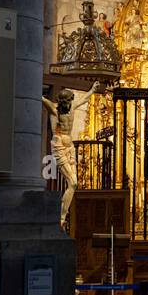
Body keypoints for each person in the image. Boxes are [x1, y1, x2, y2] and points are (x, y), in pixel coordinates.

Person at [42, 81, 99, 227]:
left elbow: (84, 99)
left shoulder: (73, 107)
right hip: (59, 145)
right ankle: (61, 218)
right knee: (73, 182)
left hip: (70, 146)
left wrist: (92, 89)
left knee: (73, 185)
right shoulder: (54, 109)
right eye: (66, 102)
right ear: (62, 102)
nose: (68, 104)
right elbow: (40, 98)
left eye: (69, 101)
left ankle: (62, 214)